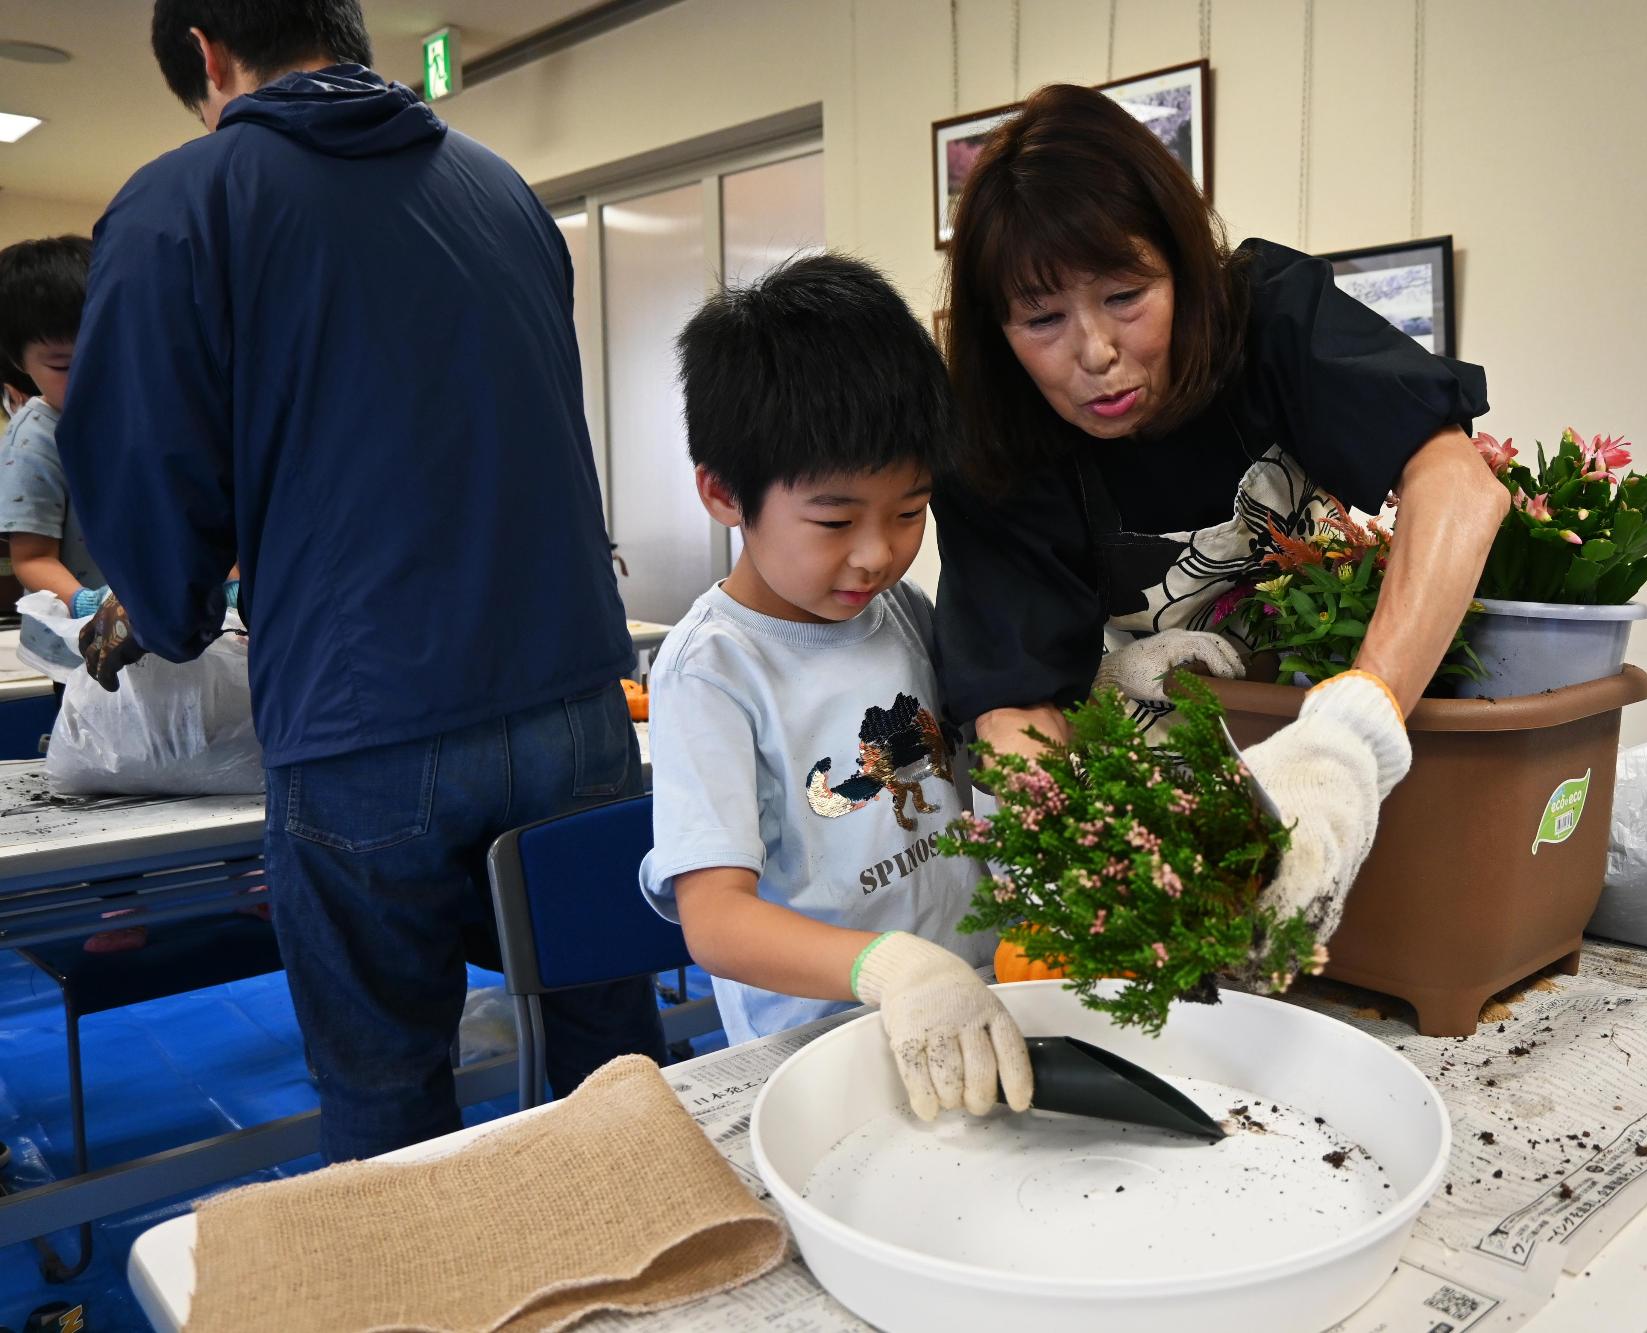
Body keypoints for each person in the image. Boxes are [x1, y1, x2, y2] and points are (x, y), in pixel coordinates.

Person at [57, 0, 666, 1161]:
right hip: (579, 702)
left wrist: (172, 605)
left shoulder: (185, 199)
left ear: (205, 56)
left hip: (366, 721)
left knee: (391, 1088)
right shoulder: (500, 188)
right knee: (613, 1068)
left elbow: (142, 464)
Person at [934, 84, 1510, 980]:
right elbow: (1016, 704)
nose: (1095, 354)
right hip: (1169, 792)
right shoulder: (996, 444)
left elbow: (1458, 486)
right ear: (997, 329)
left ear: (1183, 266)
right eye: (1043, 319)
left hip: (1356, 753)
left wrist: (1350, 739)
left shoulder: (1270, 317)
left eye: (1127, 295)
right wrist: (1078, 856)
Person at [639, 254, 1031, 1122]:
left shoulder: (905, 613)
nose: (875, 553)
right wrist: (887, 966)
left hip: (975, 1005)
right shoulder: (714, 667)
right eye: (834, 519)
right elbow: (716, 921)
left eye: (909, 511)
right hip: (824, 1052)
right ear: (722, 492)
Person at [0, 237, 110, 621]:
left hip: (153, 634)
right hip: (77, 648)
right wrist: (90, 606)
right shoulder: (36, 438)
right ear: (20, 362)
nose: (90, 376)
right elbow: (31, 558)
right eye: (62, 366)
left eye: (104, 352)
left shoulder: (136, 416)